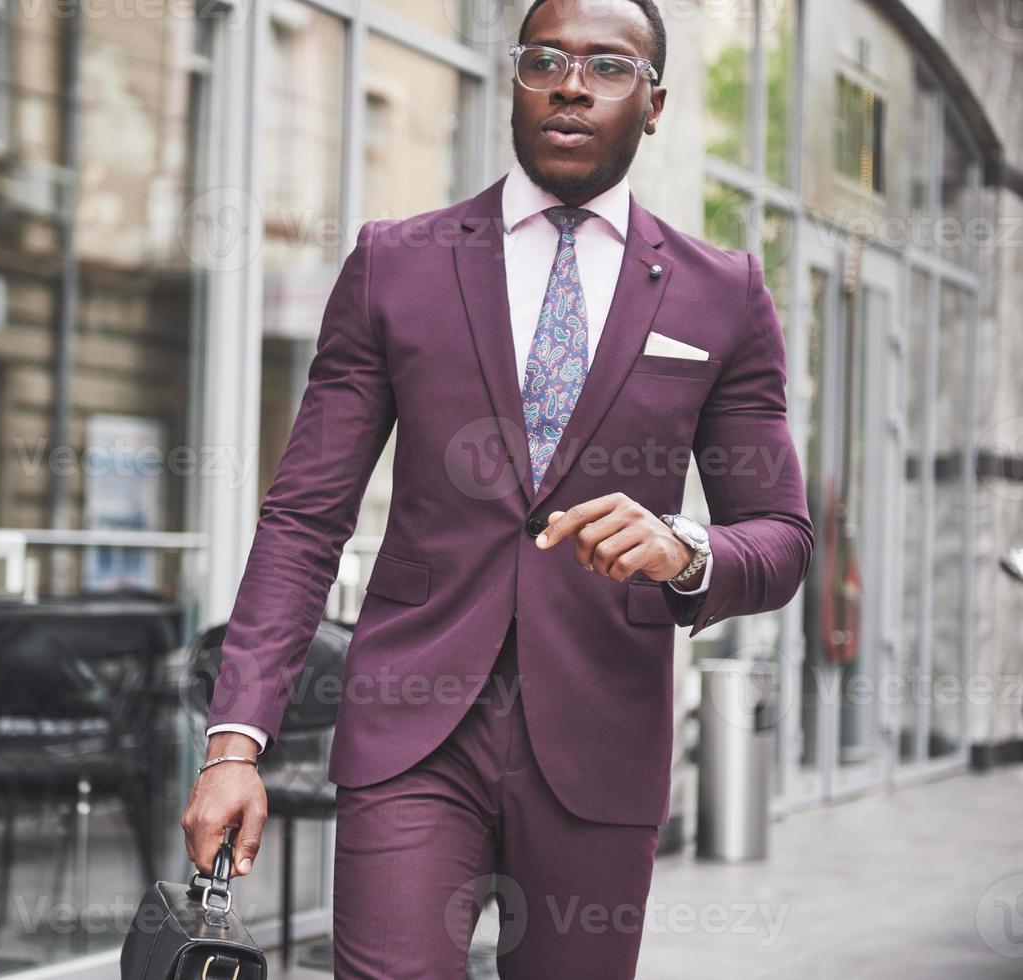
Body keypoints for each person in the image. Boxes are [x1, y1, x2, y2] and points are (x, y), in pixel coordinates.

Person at [181, 0, 814, 975]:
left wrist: (684, 548)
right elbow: (305, 516)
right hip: (410, 732)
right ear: (513, 83)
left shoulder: (717, 292)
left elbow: (777, 535)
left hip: (600, 738)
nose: (570, 82)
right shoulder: (397, 264)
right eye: (544, 60)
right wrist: (234, 741)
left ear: (653, 104)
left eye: (607, 66)